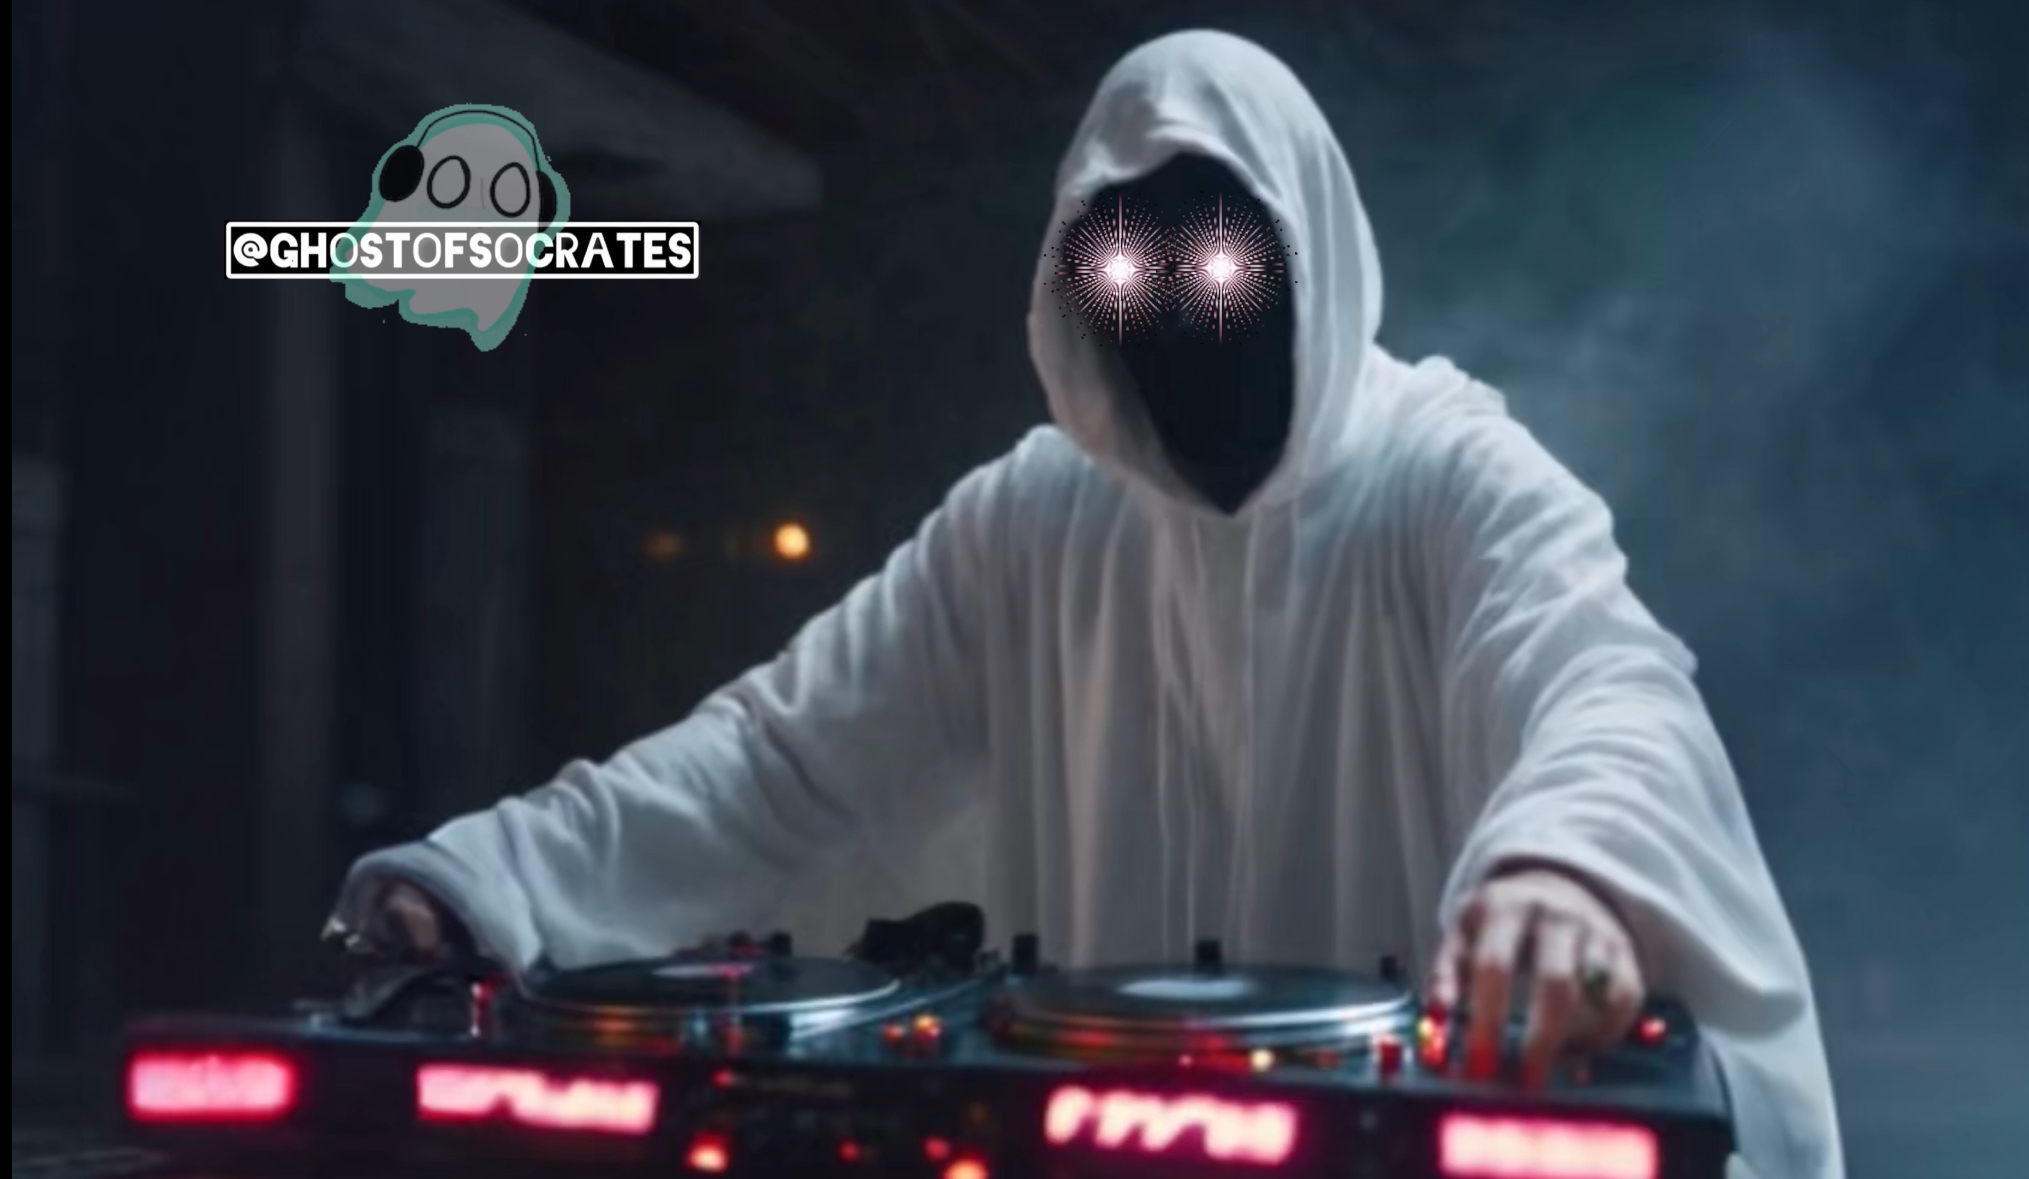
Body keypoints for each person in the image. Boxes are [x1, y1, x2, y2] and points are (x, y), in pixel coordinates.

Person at [327, 31, 1842, 1179]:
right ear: (1072, 285)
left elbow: (1603, 685)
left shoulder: (1444, 475)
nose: (1177, 310)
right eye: (1126, 269)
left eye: (1223, 261)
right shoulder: (1034, 518)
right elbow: (779, 761)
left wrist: (1563, 871)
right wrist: (487, 880)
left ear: (1307, 245)